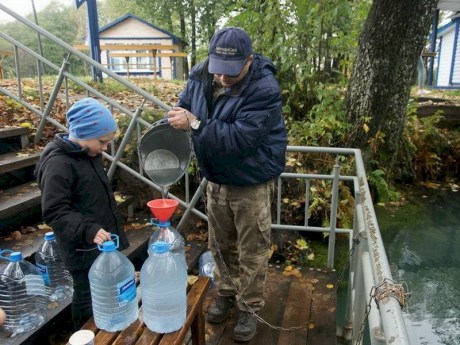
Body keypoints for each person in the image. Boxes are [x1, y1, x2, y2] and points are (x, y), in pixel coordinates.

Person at [167, 27, 287, 342]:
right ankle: (226, 293)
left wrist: (194, 123)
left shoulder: (264, 88)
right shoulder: (200, 74)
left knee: (252, 250)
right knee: (219, 245)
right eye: (217, 71)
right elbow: (185, 104)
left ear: (249, 61)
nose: (222, 79)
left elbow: (240, 139)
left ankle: (249, 308)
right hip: (215, 177)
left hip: (250, 181)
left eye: (231, 75)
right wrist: (180, 116)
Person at [34, 98, 130, 330]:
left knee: (105, 290)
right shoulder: (58, 164)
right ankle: (86, 334)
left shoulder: (88, 153)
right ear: (84, 134)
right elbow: (55, 210)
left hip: (100, 241)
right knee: (86, 296)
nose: (105, 148)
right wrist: (88, 229)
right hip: (82, 248)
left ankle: (109, 329)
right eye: (102, 142)